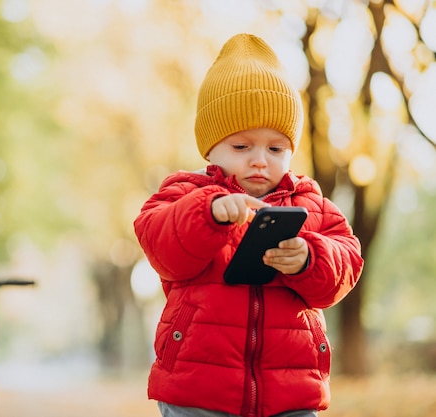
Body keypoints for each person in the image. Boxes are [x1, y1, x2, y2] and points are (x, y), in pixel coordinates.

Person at [133, 33, 364, 417]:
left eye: (275, 149)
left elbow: (347, 262)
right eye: (242, 147)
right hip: (198, 389)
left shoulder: (311, 204)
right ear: (210, 148)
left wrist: (310, 257)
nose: (260, 160)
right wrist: (211, 212)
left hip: (291, 390)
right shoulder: (184, 192)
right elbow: (162, 246)